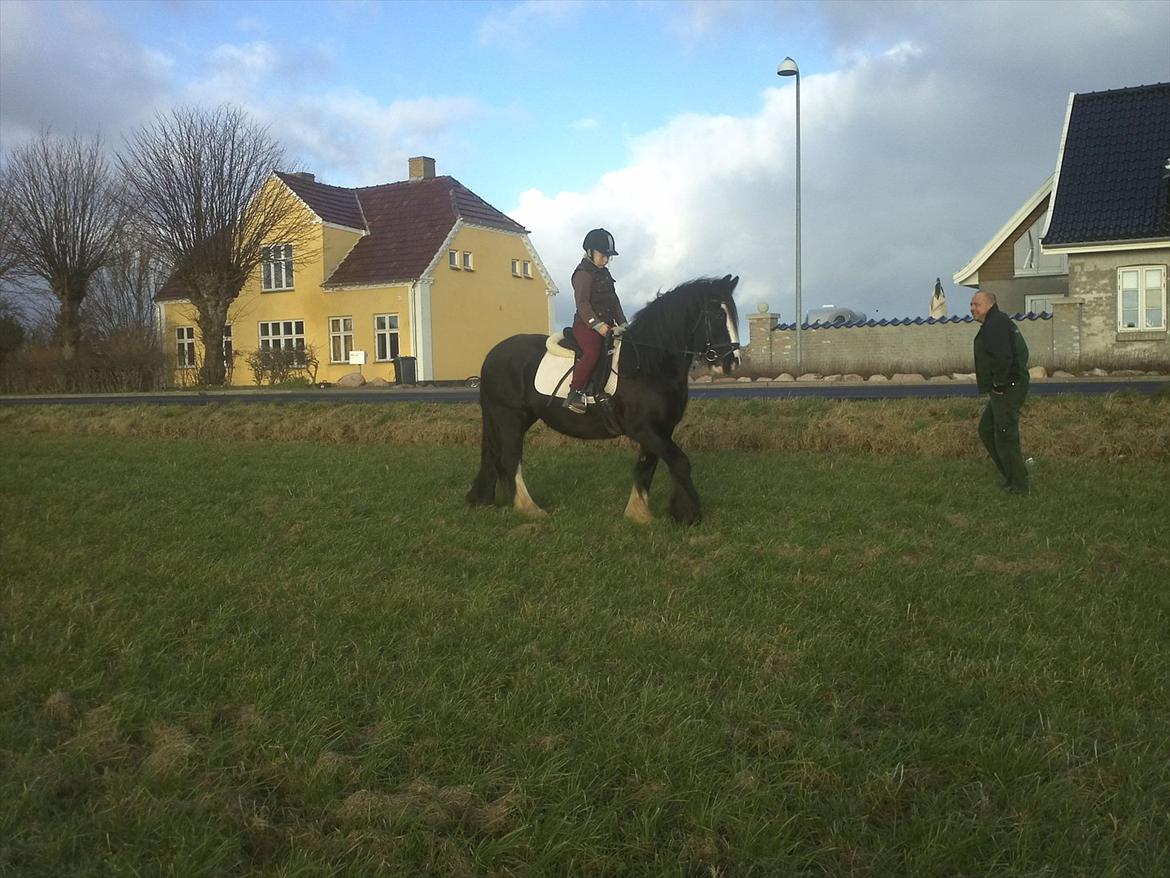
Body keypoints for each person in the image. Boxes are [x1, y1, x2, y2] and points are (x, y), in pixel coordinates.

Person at [970, 290, 1030, 493]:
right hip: (1006, 387)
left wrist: (999, 385)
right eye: (971, 304)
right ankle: (1012, 476)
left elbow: (1004, 358)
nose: (972, 308)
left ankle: (1019, 485)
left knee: (1005, 435)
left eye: (977, 304)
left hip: (1007, 388)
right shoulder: (997, 322)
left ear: (989, 305)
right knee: (987, 429)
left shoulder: (995, 325)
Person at [565, 228, 626, 413]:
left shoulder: (604, 274)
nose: (606, 260)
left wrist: (623, 323)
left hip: (607, 325)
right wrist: (596, 324)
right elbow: (582, 303)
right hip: (586, 325)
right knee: (592, 352)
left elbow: (614, 302)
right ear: (590, 252)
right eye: (603, 255)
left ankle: (600, 390)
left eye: (608, 257)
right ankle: (575, 393)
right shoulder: (583, 274)